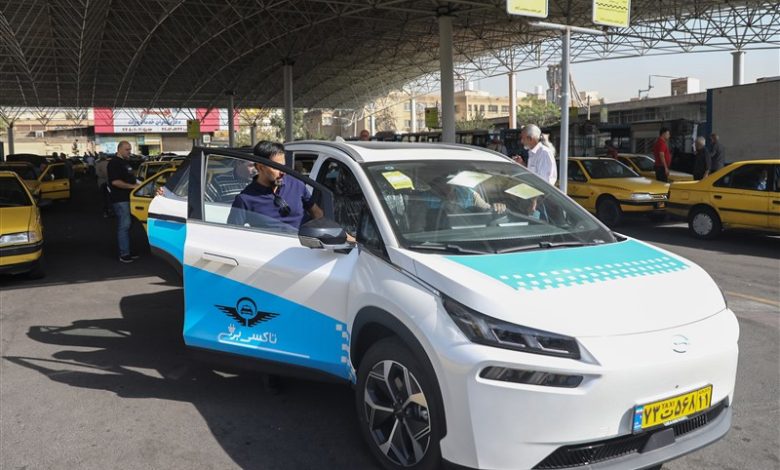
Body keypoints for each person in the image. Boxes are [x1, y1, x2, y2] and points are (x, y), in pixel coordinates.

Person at [227, 141, 324, 231]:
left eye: (283, 166)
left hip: (302, 242)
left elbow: (317, 214)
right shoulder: (245, 199)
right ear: (261, 167)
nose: (282, 172)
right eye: (276, 167)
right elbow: (233, 234)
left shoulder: (297, 184)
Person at [107, 141, 139, 263]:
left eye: (130, 149)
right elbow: (115, 182)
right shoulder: (114, 163)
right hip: (120, 199)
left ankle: (128, 250)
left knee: (128, 225)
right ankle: (124, 254)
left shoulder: (125, 162)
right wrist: (133, 187)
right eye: (127, 149)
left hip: (129, 198)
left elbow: (132, 179)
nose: (129, 152)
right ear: (119, 149)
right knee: (124, 225)